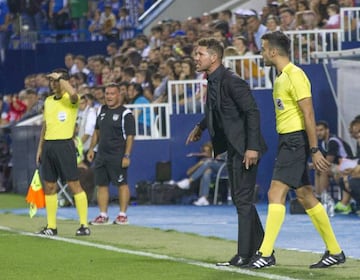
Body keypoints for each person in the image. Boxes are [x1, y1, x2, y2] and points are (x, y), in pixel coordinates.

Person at [249, 31, 345, 269]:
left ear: (273, 51)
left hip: (296, 141)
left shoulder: (295, 75)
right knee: (305, 196)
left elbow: (309, 113)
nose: (261, 53)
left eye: (262, 49)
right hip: (288, 141)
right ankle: (335, 251)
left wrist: (314, 148)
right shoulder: (281, 77)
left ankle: (265, 252)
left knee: (275, 193)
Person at [186, 37, 266, 267]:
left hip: (245, 148)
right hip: (234, 149)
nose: (196, 58)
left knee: (242, 200)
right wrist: (201, 126)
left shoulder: (231, 81)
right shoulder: (213, 80)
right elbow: (218, 111)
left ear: (214, 57)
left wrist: (252, 147)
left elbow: (252, 112)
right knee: (243, 201)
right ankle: (262, 249)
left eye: (200, 54)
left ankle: (244, 254)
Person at [35, 68, 90, 236]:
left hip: (65, 145)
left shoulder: (71, 99)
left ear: (63, 82)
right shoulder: (49, 101)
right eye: (51, 81)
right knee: (49, 186)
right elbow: (45, 126)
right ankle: (51, 227)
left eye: (55, 81)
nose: (52, 84)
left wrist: (62, 80)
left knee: (74, 184)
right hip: (49, 146)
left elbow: (74, 94)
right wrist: (40, 148)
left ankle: (84, 225)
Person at [87, 82, 135, 225]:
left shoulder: (125, 113)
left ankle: (122, 214)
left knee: (122, 184)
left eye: (112, 93)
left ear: (118, 95)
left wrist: (126, 155)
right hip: (102, 155)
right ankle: (103, 215)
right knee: (101, 185)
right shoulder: (101, 110)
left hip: (117, 155)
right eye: (107, 93)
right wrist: (91, 149)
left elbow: (130, 136)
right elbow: (97, 132)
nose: (109, 96)